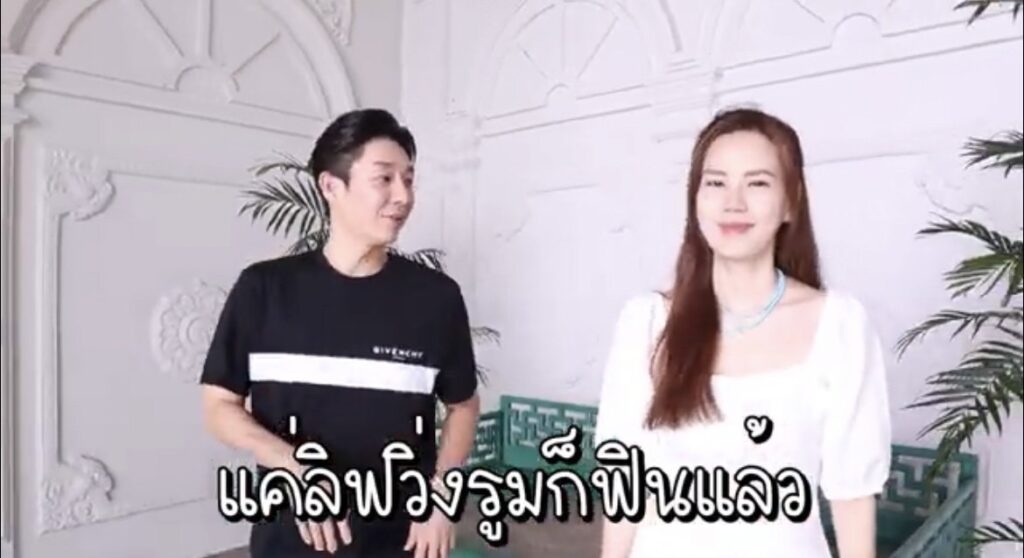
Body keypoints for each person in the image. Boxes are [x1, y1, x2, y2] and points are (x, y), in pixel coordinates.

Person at [593, 107, 892, 558]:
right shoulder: (646, 322)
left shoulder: (840, 324)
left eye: (757, 183)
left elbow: (852, 495)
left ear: (790, 202)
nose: (733, 202)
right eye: (716, 183)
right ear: (695, 200)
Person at [200, 108, 481, 558]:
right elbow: (219, 406)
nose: (403, 196)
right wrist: (293, 466)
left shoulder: (436, 298)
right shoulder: (263, 290)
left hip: (403, 539)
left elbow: (463, 406)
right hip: (289, 538)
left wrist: (442, 497)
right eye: (384, 178)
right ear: (331, 186)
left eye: (409, 179)